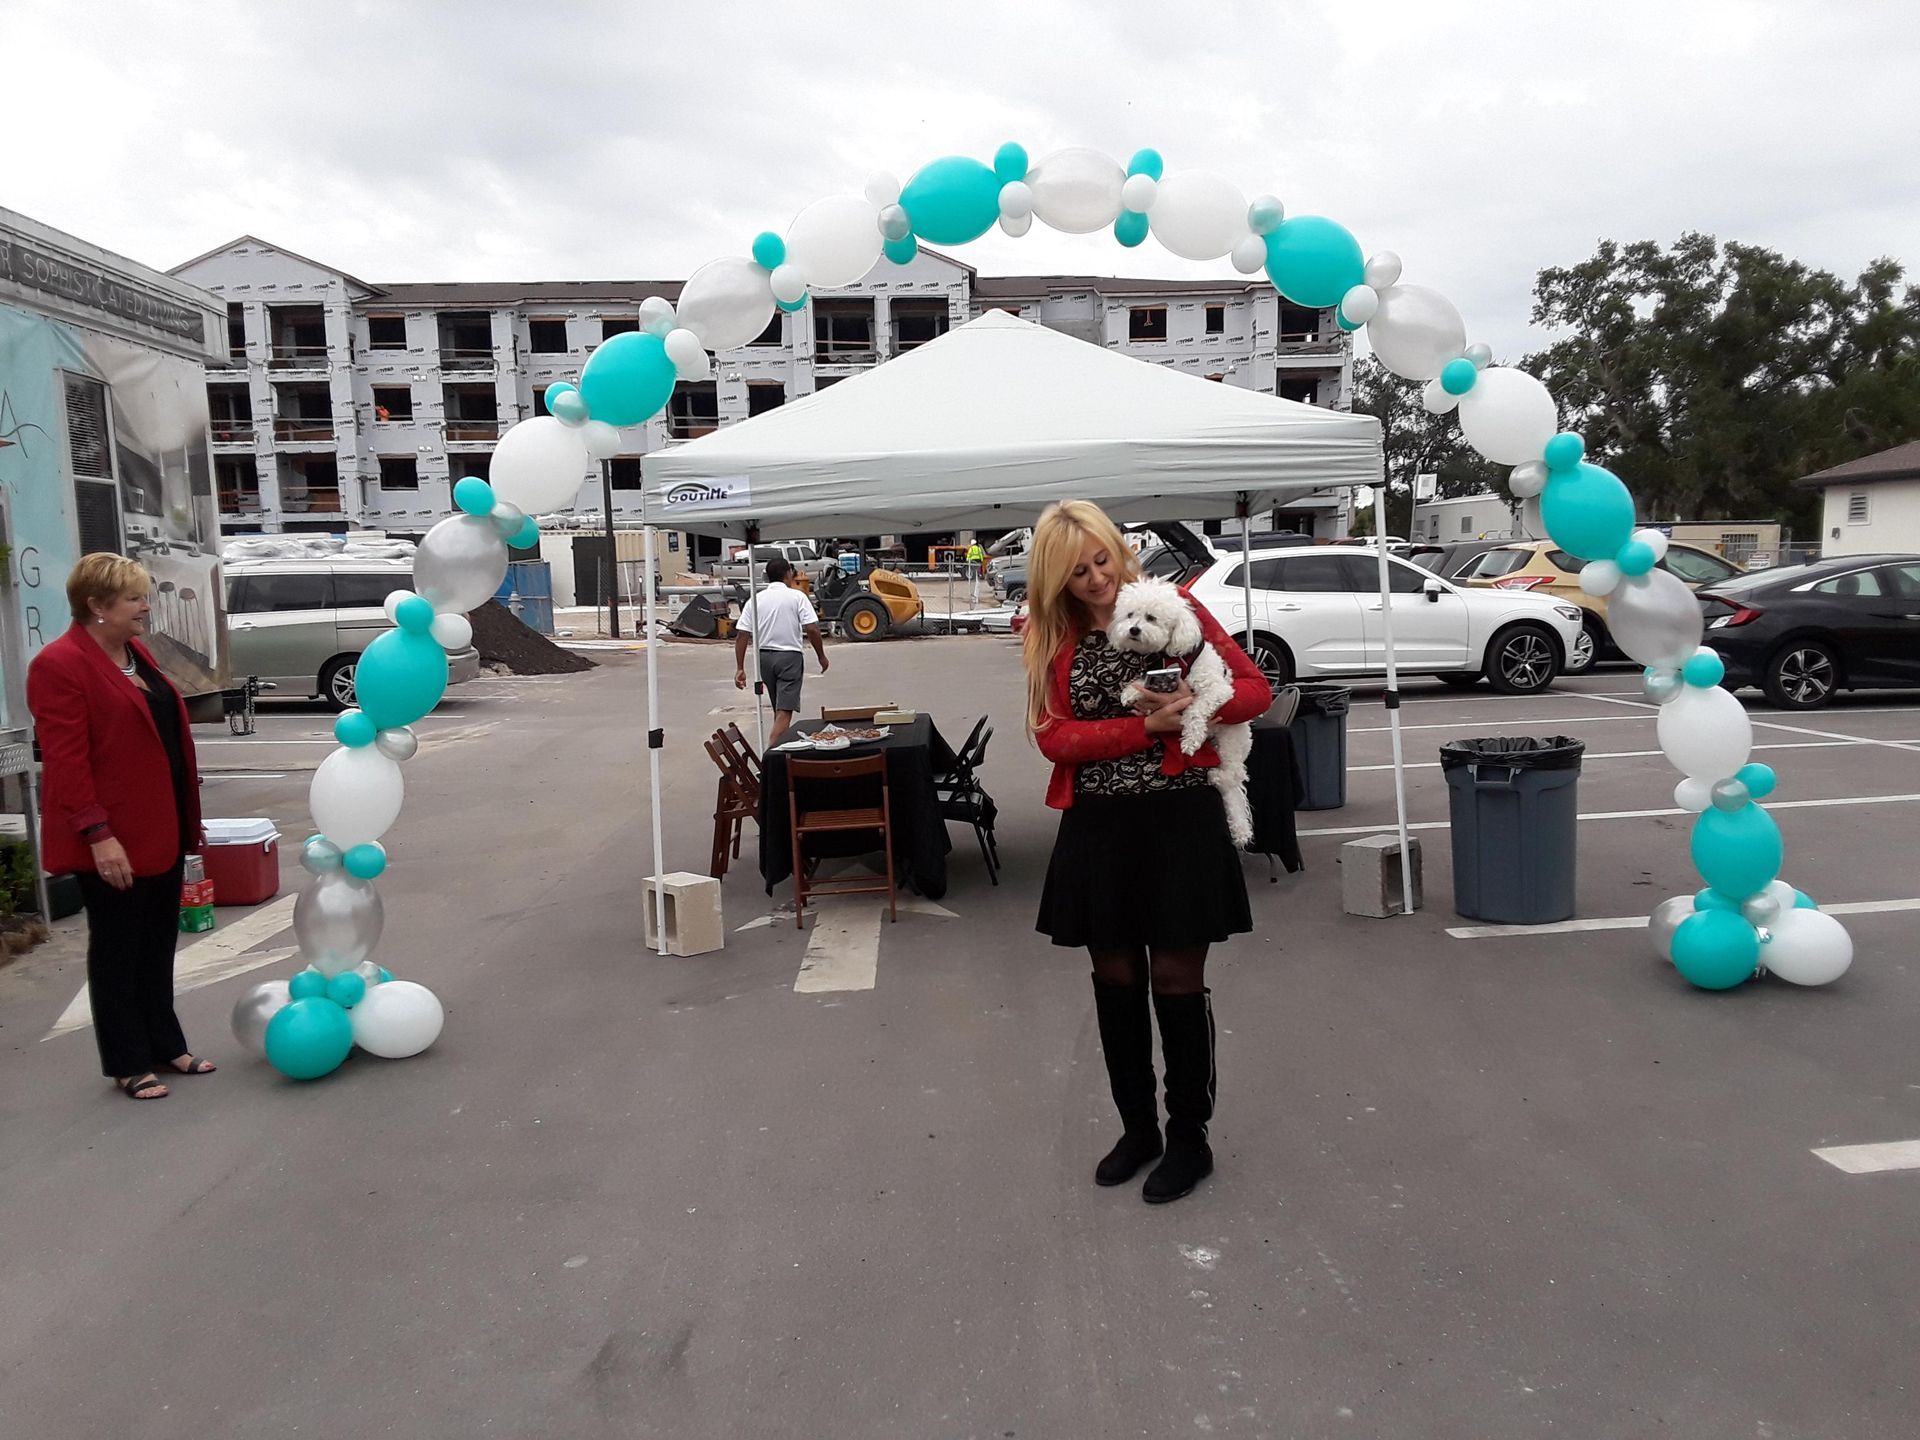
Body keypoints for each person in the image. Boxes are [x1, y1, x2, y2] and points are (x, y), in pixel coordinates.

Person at [1025, 501, 1271, 1203]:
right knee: (1116, 981)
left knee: (1174, 978)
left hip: (1178, 820)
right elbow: (1054, 738)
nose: (1098, 578)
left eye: (1103, 559)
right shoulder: (1053, 637)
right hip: (1100, 827)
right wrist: (1147, 729)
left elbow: (1254, 689)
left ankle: (1189, 1138)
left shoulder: (1176, 607)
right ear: (1055, 578)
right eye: (1078, 571)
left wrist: (1199, 707)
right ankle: (1139, 1130)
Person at [28, 554, 211, 1102]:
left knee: (157, 942)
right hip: (111, 837)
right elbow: (66, 761)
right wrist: (97, 834)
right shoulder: (59, 664)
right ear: (96, 605)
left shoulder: (135, 656)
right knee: (117, 948)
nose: (145, 607)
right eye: (134, 598)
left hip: (161, 826)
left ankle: (165, 1043)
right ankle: (127, 1060)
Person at [733, 556, 829, 738]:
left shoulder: (756, 599)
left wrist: (740, 668)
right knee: (785, 711)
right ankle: (772, 755)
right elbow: (812, 628)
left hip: (764, 658)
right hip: (789, 657)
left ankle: (780, 749)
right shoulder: (797, 597)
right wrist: (821, 655)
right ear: (788, 574)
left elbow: (742, 635)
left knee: (779, 708)